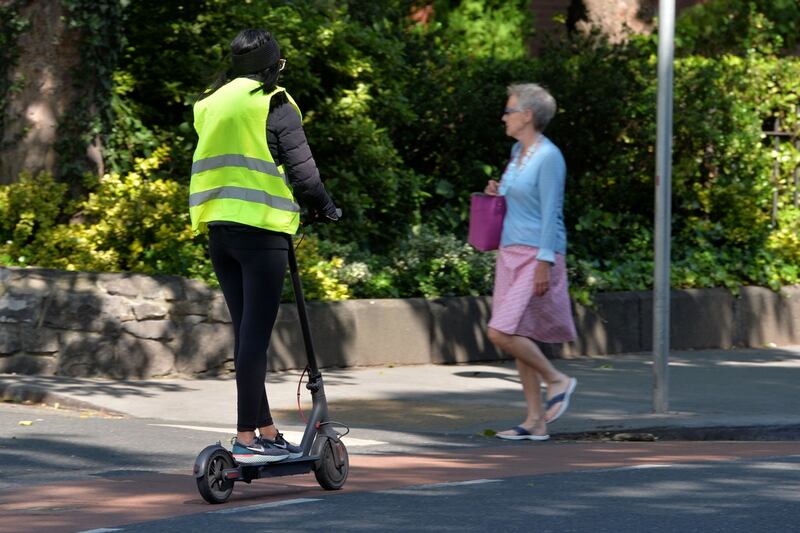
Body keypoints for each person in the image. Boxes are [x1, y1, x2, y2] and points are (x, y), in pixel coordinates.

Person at [190, 29, 340, 464]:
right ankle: (244, 437)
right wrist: (327, 208)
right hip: (262, 232)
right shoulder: (274, 102)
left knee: (246, 334)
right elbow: (305, 175)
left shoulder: (209, 102)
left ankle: (267, 430)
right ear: (272, 66)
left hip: (220, 230)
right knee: (254, 337)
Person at [484, 83, 577, 442]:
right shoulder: (517, 151)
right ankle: (536, 420)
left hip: (537, 253)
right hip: (509, 253)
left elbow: (552, 210)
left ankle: (559, 380)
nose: (504, 117)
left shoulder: (549, 157)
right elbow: (522, 201)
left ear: (527, 115)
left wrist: (544, 261)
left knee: (501, 331)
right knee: (517, 333)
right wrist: (498, 193)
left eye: (509, 111)